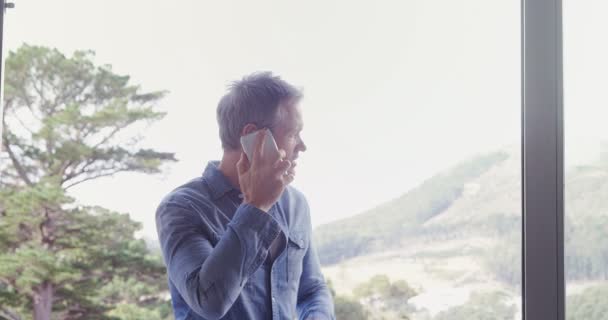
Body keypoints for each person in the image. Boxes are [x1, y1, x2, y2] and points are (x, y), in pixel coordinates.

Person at [156, 72, 335, 320]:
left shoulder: (296, 204)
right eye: (294, 134)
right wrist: (256, 207)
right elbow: (209, 303)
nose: (302, 146)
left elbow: (312, 290)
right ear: (254, 137)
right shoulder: (181, 207)